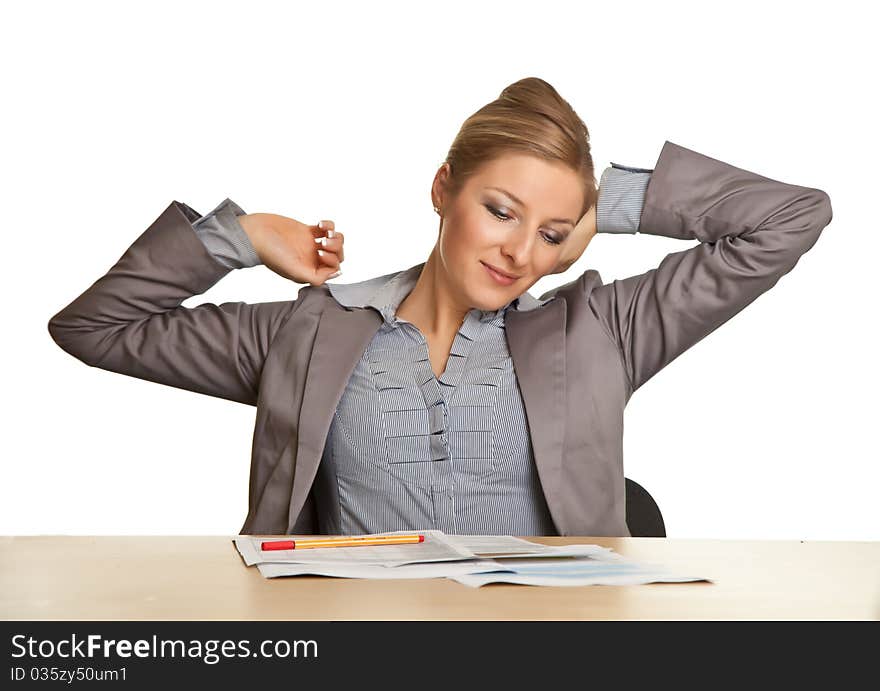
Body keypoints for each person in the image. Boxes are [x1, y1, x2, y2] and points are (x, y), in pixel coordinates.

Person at [48, 77, 833, 537]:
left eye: (551, 232)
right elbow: (94, 327)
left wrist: (612, 200)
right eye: (501, 210)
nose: (521, 251)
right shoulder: (310, 328)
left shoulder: (599, 330)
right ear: (442, 189)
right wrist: (241, 237)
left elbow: (790, 218)